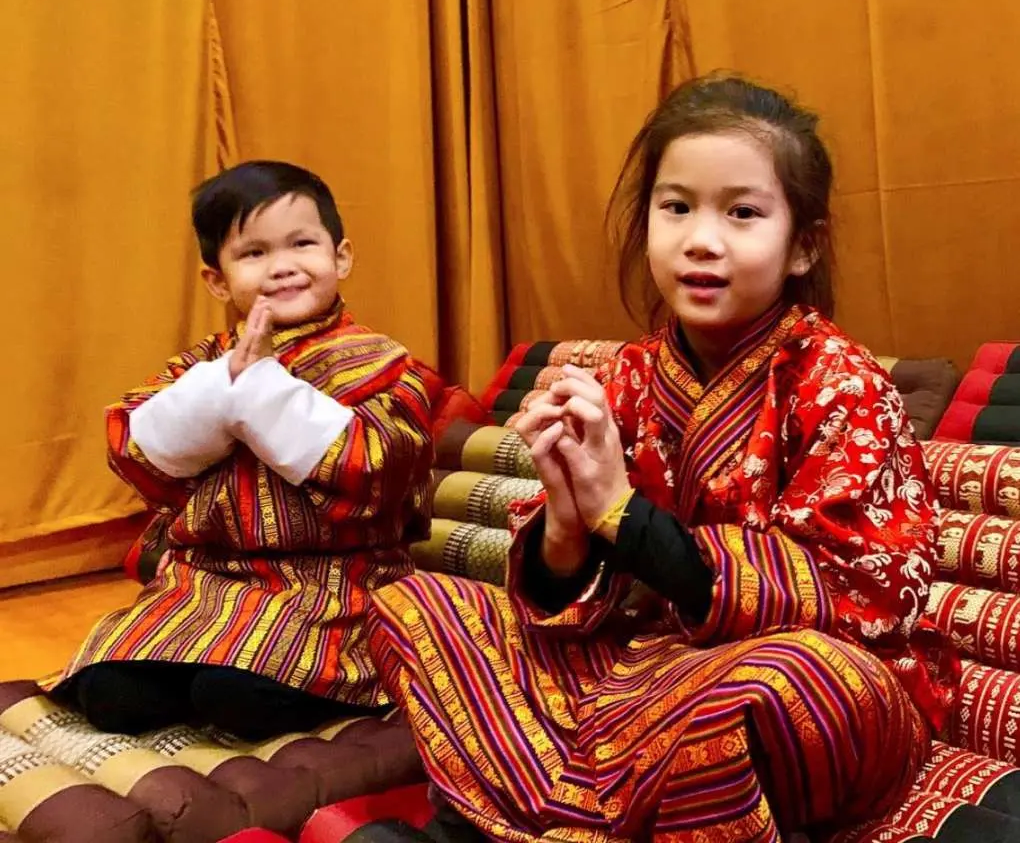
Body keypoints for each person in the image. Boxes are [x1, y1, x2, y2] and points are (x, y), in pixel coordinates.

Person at [367, 76, 959, 840]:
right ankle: (610, 794)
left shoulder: (841, 383)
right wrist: (566, 521)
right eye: (676, 207)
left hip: (795, 681)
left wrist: (622, 512)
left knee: (792, 684)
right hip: (652, 672)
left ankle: (557, 794)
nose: (701, 240)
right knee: (418, 607)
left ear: (803, 245)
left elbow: (855, 594)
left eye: (742, 213)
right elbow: (563, 602)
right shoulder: (630, 377)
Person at [54, 160, 437, 740]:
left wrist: (261, 393)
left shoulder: (383, 365)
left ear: (340, 257)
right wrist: (222, 386)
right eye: (254, 253)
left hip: (333, 588)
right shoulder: (204, 363)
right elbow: (133, 448)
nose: (282, 266)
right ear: (217, 280)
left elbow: (379, 469)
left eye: (301, 244)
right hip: (208, 581)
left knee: (236, 695)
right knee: (108, 694)